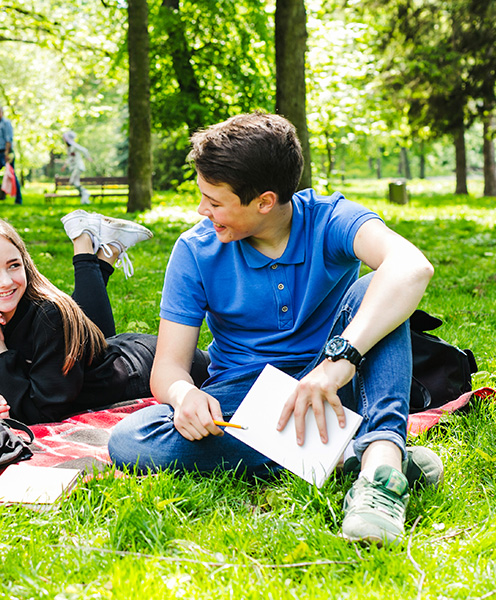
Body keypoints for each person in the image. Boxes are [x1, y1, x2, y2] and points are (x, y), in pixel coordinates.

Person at [107, 112, 441, 545]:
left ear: (264, 201)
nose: (201, 210)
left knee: (381, 287)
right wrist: (184, 395)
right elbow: (168, 368)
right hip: (244, 401)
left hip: (333, 390)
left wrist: (339, 363)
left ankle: (380, 475)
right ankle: (347, 455)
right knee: (132, 438)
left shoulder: (330, 218)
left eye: (215, 201)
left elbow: (413, 266)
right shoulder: (194, 250)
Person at [0, 210, 210, 425]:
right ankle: (105, 252)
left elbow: (41, 413)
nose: (5, 281)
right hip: (105, 350)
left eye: (14, 265)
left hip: (141, 370)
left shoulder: (49, 315)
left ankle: (88, 245)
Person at [62, 130, 92, 204]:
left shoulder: (74, 145)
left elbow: (84, 150)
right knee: (75, 183)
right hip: (74, 167)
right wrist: (65, 165)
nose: (63, 139)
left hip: (79, 166)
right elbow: (69, 158)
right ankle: (85, 196)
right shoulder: (69, 148)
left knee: (72, 181)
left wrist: (88, 157)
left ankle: (85, 193)